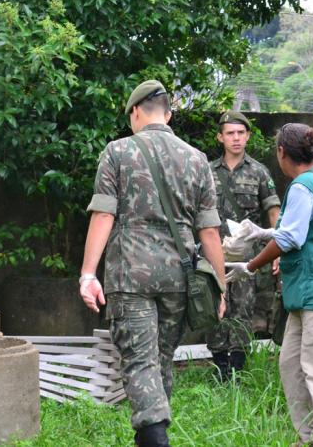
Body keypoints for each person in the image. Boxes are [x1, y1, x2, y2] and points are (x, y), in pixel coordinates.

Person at [78, 80, 226, 447]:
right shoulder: (197, 159)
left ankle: (155, 438)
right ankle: (149, 437)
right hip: (180, 277)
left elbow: (102, 216)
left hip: (130, 277)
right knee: (159, 363)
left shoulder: (117, 152)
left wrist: (87, 274)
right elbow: (209, 232)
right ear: (169, 114)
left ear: (135, 112)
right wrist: (220, 287)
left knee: (141, 362)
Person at [226, 123, 313, 446]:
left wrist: (254, 249)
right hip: (308, 294)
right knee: (291, 365)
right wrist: (256, 248)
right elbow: (295, 234)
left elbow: (291, 237)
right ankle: (307, 438)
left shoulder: (302, 186)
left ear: (282, 153)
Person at [207, 110, 281, 380]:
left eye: (240, 133)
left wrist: (277, 249)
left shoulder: (260, 172)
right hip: (214, 249)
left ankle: (236, 370)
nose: (236, 138)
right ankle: (219, 368)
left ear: (248, 136)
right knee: (214, 305)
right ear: (220, 137)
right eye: (230, 133)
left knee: (243, 308)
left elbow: (273, 210)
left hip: (248, 254)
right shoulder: (207, 172)